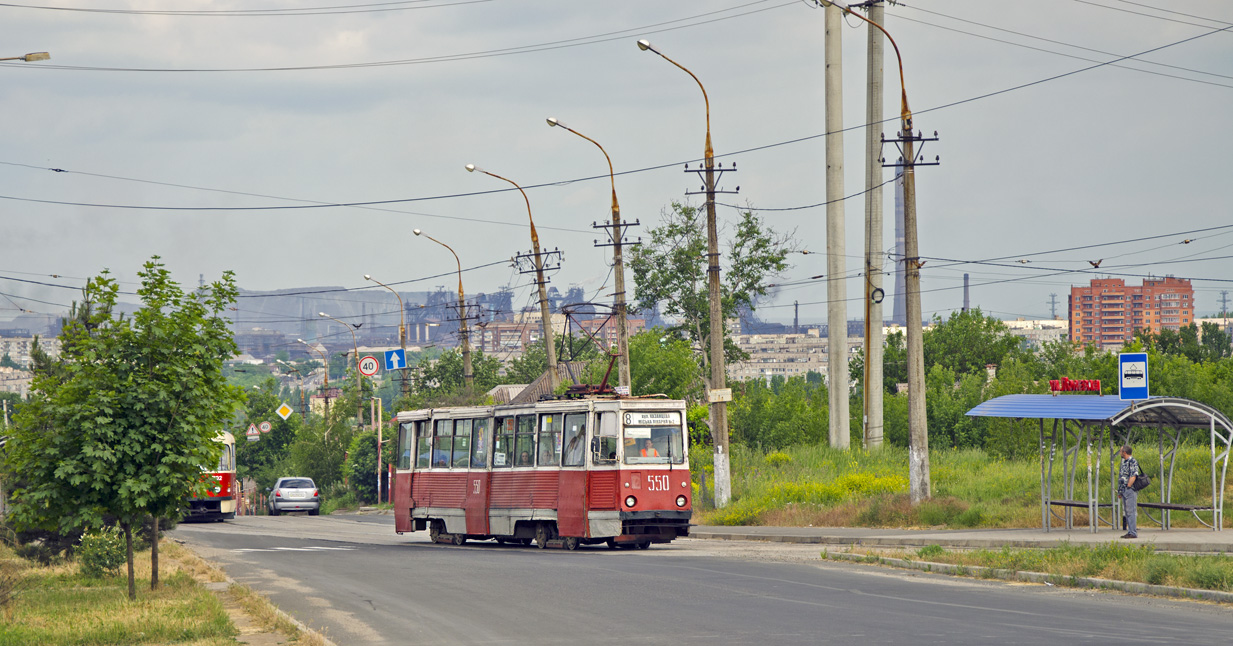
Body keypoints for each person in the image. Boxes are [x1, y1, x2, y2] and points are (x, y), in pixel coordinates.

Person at [1118, 444, 1139, 539]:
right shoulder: (1124, 462)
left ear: (1124, 452)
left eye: (1120, 451)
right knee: (1127, 511)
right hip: (1124, 491)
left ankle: (1133, 532)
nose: (1120, 453)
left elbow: (1133, 475)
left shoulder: (1132, 461)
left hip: (1130, 490)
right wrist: (1120, 491)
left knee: (1131, 511)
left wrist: (1128, 487)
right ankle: (1129, 531)